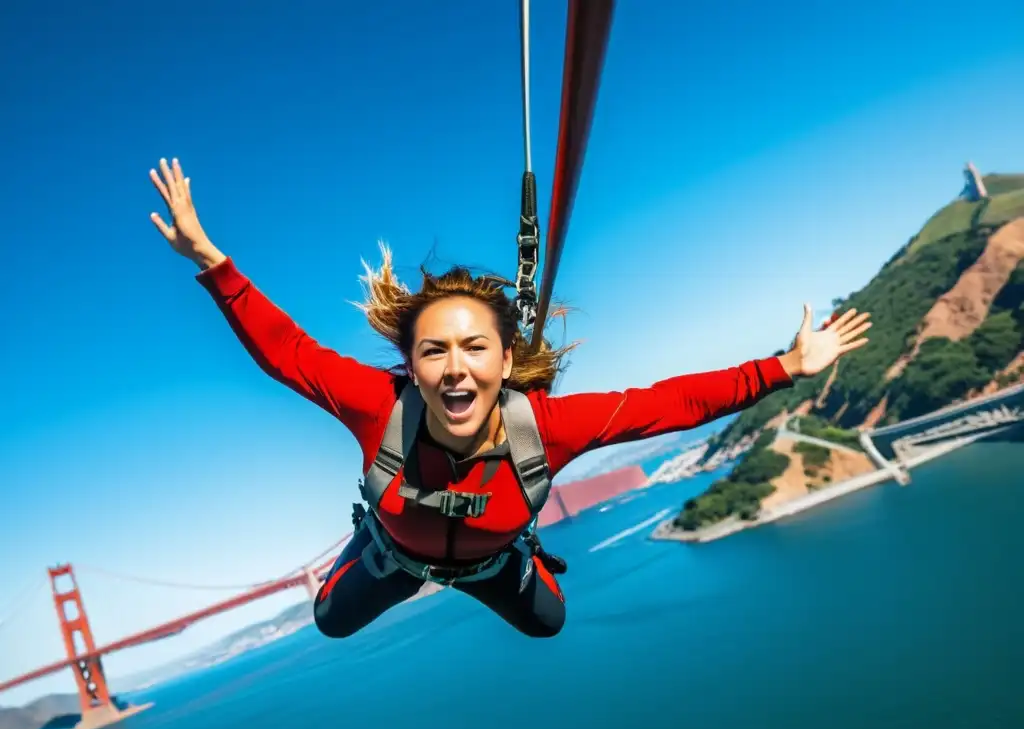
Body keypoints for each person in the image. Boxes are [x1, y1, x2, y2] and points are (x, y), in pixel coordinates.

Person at [148, 157, 871, 639]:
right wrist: (212, 260)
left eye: (474, 349)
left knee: (549, 624)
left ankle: (504, 561)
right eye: (434, 351)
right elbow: (290, 355)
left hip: (494, 561)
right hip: (395, 558)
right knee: (328, 622)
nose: (455, 369)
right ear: (410, 363)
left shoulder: (546, 427)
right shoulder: (380, 407)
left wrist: (785, 366)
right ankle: (379, 545)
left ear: (505, 359)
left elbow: (671, 403)